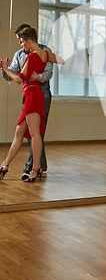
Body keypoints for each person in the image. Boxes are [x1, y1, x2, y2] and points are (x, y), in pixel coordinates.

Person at [0, 27, 64, 182]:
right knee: (19, 132)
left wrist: (6, 69)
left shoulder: (31, 58)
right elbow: (61, 60)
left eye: (22, 42)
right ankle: (4, 165)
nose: (21, 45)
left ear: (29, 41)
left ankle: (35, 170)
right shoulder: (46, 55)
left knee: (34, 134)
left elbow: (19, 79)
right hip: (33, 95)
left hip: (33, 96)